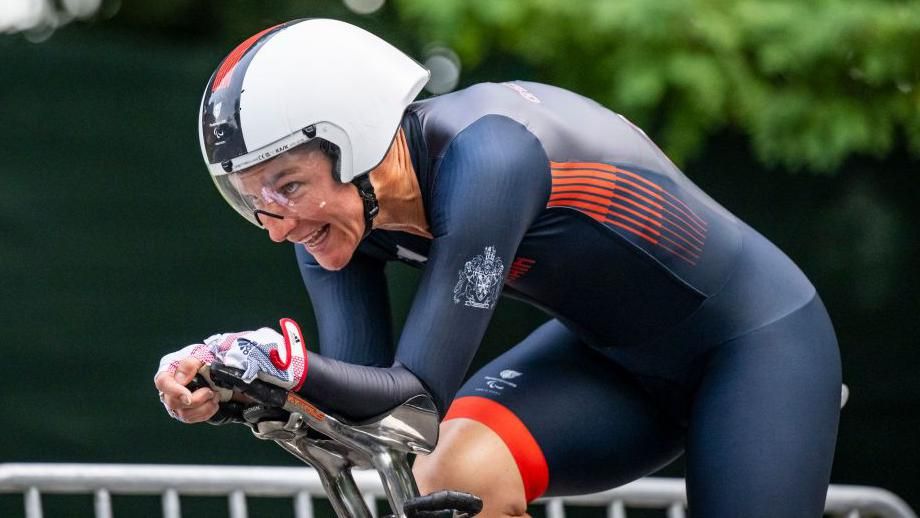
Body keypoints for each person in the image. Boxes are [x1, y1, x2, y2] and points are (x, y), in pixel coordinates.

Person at [154, 18, 842, 518]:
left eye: (289, 186)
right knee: (455, 473)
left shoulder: (490, 156)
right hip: (613, 362)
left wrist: (284, 363)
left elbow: (410, 394)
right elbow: (367, 417)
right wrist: (228, 378)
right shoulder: (337, 216)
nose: (279, 226)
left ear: (355, 138)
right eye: (254, 200)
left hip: (756, 348)